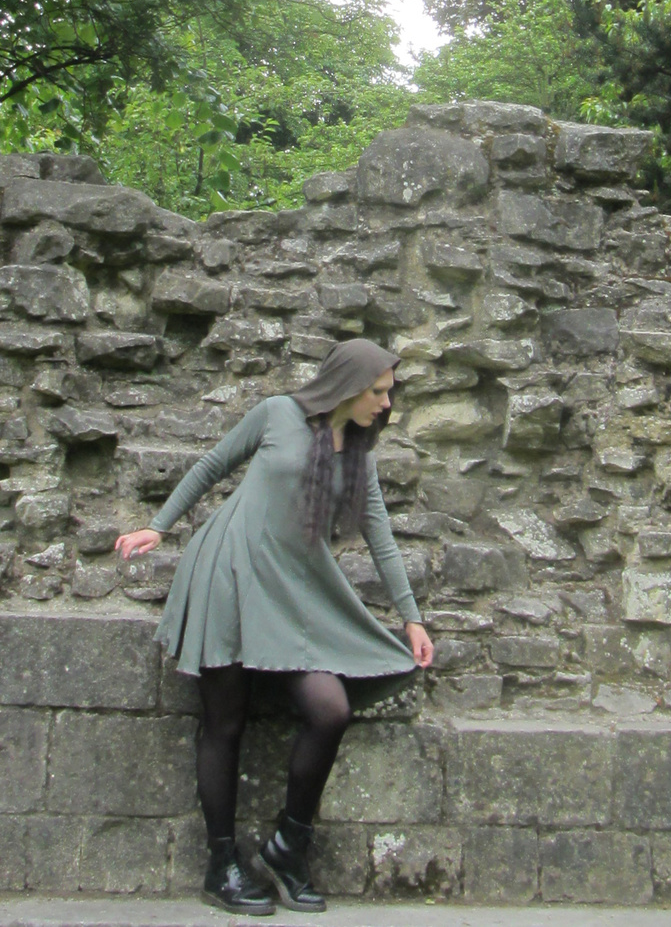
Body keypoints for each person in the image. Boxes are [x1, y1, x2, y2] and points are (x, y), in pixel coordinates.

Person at [115, 338, 433, 916]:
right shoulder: (276, 413)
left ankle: (288, 846)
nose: (387, 405)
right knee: (225, 722)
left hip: (293, 594)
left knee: (328, 709)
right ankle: (221, 866)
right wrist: (158, 526)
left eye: (389, 393)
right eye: (380, 391)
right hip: (229, 575)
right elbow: (214, 464)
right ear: (349, 384)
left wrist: (411, 617)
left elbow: (380, 536)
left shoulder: (358, 453)